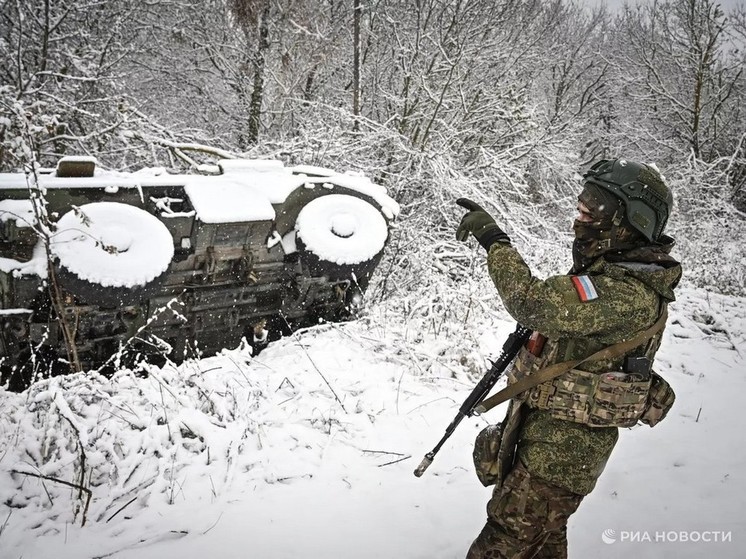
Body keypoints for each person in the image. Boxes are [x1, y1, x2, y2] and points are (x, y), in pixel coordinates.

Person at [455, 158, 682, 559]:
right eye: (583, 203)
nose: (580, 213)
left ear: (629, 219)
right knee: (544, 544)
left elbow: (531, 302)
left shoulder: (625, 292)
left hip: (560, 457)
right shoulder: (613, 273)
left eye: (593, 207)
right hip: (547, 439)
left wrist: (494, 239)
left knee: (502, 544)